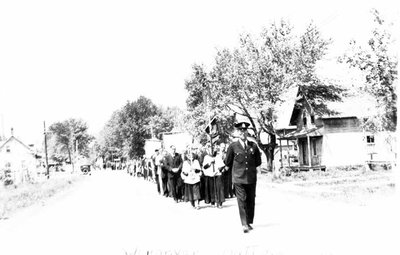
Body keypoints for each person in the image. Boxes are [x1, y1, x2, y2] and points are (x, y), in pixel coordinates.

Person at [224, 121, 262, 233]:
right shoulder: (233, 146)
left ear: (247, 132)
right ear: (237, 132)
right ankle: (244, 224)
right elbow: (228, 161)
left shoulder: (253, 146)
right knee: (242, 200)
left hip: (250, 178)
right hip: (238, 178)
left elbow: (257, 162)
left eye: (244, 130)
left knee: (251, 200)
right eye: (240, 130)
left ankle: (249, 221)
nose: (243, 132)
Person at [202, 144, 225, 208]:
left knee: (219, 188)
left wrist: (218, 170)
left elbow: (222, 166)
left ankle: (219, 202)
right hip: (210, 175)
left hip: (217, 174)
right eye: (210, 149)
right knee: (211, 189)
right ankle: (213, 201)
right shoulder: (206, 157)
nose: (212, 151)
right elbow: (204, 167)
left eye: (213, 149)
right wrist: (210, 163)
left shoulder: (218, 156)